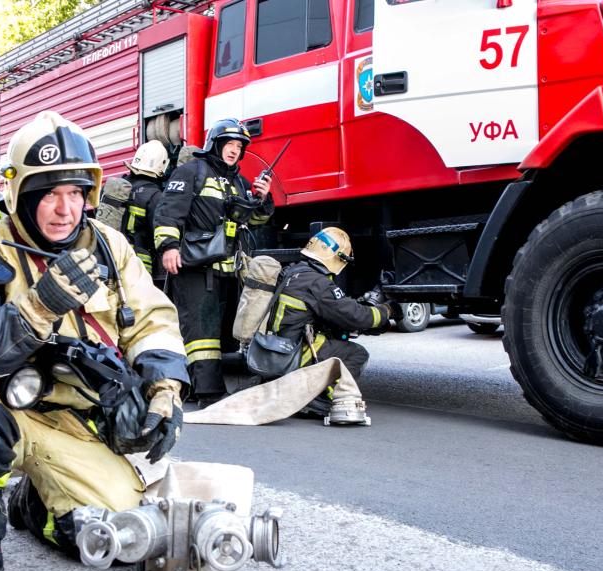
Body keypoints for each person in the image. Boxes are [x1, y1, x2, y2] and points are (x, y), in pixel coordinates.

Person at [0, 111, 188, 571]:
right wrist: (35, 309)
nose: (66, 209)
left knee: (121, 537)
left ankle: (35, 505)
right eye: (49, 193)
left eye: (76, 193)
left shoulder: (110, 247)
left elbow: (152, 320)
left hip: (71, 422)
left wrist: (165, 387)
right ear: (19, 194)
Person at [152, 118, 274, 407]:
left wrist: (262, 199)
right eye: (229, 144)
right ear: (215, 144)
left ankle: (193, 385)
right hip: (195, 266)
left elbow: (253, 221)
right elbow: (168, 213)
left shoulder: (240, 182)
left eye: (238, 146)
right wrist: (169, 247)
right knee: (202, 331)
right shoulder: (191, 171)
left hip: (228, 267)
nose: (234, 150)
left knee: (220, 330)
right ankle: (208, 392)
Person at [268, 226, 401, 417]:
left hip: (277, 347)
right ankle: (324, 401)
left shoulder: (292, 271)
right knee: (357, 354)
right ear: (336, 257)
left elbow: (328, 312)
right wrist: (387, 310)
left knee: (335, 339)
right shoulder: (318, 283)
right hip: (296, 352)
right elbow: (358, 317)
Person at [121, 139, 169, 276]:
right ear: (162, 166)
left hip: (114, 257)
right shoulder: (155, 196)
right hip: (139, 264)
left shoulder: (119, 187)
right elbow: (159, 236)